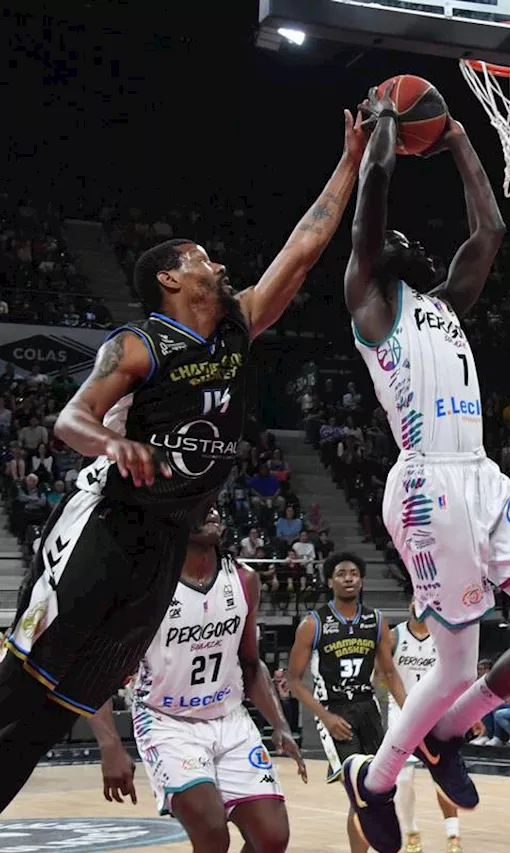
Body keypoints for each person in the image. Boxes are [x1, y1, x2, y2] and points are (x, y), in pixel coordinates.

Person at [0, 110, 368, 810]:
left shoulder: (237, 326)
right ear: (171, 277)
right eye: (201, 258)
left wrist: (350, 159)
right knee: (20, 688)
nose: (217, 264)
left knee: (54, 713)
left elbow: (305, 247)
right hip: (105, 523)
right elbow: (70, 418)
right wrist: (116, 442)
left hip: (162, 550)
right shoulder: (138, 343)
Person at [337, 89, 510, 851]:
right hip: (425, 484)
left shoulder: (444, 304)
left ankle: (446, 736)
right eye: (397, 237)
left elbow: (493, 227)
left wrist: (454, 140)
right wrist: (386, 124)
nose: (410, 238)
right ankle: (374, 779)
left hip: (480, 475)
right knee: (451, 664)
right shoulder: (370, 302)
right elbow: (374, 196)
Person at [93, 508, 305, 852]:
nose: (212, 509)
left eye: (215, 502)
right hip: (167, 722)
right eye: (199, 501)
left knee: (272, 838)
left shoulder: (244, 579)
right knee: (212, 833)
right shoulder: (146, 586)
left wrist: (278, 723)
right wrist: (110, 745)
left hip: (231, 719)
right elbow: (97, 672)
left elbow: (250, 664)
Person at [287, 554, 405, 853]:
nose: (349, 578)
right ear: (330, 581)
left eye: (354, 573)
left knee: (379, 792)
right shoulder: (313, 624)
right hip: (335, 710)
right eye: (341, 574)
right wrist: (325, 717)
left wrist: (411, 713)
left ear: (361, 579)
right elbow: (294, 681)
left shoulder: (376, 620)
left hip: (368, 709)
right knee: (360, 792)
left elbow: (389, 673)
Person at [385, 612, 461, 853]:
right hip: (401, 713)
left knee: (444, 777)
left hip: (435, 714)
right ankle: (411, 832)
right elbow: (385, 673)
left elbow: (454, 677)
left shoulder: (443, 638)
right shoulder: (393, 636)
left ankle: (453, 836)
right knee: (404, 780)